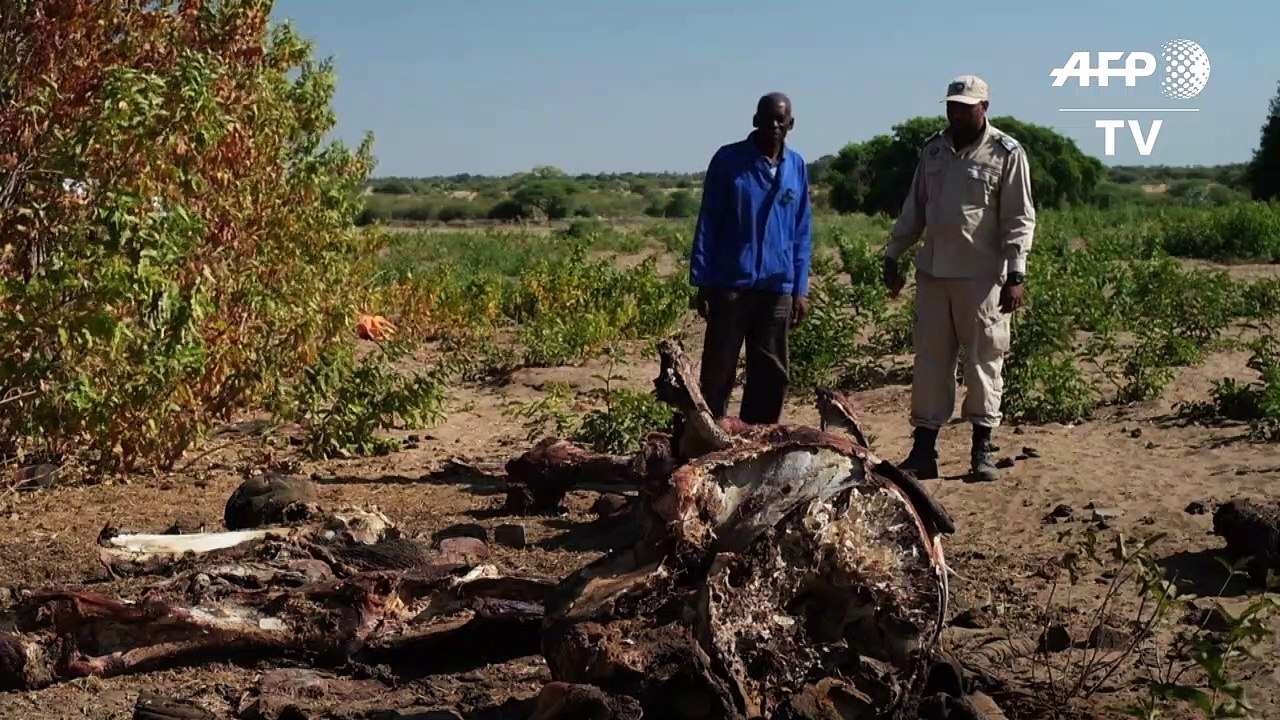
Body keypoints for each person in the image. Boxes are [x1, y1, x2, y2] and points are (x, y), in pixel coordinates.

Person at [881, 74, 1036, 482]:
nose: (956, 112)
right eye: (951, 105)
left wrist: (1015, 272)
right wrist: (894, 253)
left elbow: (1020, 218)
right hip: (934, 273)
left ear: (984, 107)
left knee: (984, 361)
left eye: (965, 107)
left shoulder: (1006, 153)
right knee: (931, 363)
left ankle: (981, 449)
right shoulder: (933, 151)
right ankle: (924, 450)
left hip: (983, 278)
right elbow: (914, 209)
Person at [689, 92, 813, 425]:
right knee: (718, 370)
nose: (774, 125)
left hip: (776, 287)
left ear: (791, 124)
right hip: (731, 285)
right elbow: (709, 221)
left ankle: (757, 441)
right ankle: (706, 437)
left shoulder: (796, 166)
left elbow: (801, 230)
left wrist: (800, 288)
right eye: (767, 118)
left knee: (771, 373)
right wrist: (702, 281)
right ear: (755, 120)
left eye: (780, 119)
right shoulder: (729, 161)